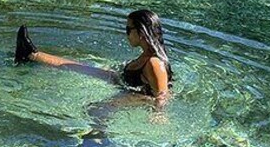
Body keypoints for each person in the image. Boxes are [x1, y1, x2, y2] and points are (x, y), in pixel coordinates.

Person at [14, 9, 172, 105]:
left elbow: (162, 96)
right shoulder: (147, 55)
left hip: (138, 97)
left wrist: (158, 117)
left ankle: (97, 143)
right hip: (125, 82)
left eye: (128, 29)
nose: (126, 34)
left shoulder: (154, 63)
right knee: (82, 67)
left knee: (94, 108)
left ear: (142, 33)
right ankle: (31, 54)